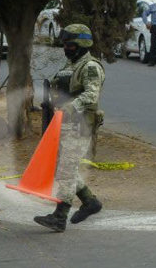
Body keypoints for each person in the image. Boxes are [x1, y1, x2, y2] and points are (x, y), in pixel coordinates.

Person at [34, 24, 105, 232]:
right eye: (65, 44)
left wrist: (70, 107)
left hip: (79, 125)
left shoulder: (90, 67)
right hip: (62, 124)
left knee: (66, 171)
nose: (67, 48)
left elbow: (91, 95)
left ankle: (60, 216)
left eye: (71, 45)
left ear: (82, 45)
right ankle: (90, 202)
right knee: (63, 168)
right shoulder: (71, 65)